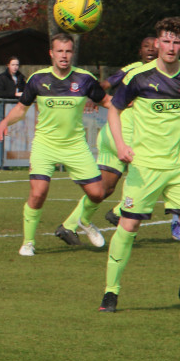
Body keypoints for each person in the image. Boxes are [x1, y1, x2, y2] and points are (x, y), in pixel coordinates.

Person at [0, 33, 111, 257]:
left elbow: (106, 101)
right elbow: (21, 108)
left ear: (72, 53)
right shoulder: (37, 79)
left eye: (67, 51)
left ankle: (84, 221)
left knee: (97, 194)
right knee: (38, 192)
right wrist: (5, 121)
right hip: (45, 144)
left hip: (75, 145)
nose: (64, 56)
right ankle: (28, 242)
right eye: (59, 51)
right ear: (51, 53)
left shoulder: (84, 79)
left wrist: (130, 104)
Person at [99, 18, 180, 313]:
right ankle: (110, 292)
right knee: (128, 225)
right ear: (157, 44)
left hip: (178, 167)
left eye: (177, 41)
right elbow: (114, 111)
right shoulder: (140, 77)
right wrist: (121, 145)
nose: (172, 47)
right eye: (167, 41)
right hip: (145, 167)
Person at [61, 38, 157, 238]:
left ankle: (68, 226)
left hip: (111, 134)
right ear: (139, 51)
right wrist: (93, 94)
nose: (151, 49)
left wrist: (95, 94)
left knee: (104, 188)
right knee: (156, 173)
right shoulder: (141, 71)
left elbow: (106, 83)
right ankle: (118, 212)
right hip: (126, 136)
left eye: (154, 45)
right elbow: (105, 84)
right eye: (146, 46)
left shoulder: (139, 71)